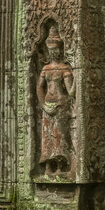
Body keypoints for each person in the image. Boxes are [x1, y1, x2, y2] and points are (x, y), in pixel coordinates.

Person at [36, 26, 75, 175]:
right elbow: (39, 88)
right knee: (47, 137)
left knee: (59, 135)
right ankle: (47, 166)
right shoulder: (45, 69)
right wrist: (43, 105)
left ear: (60, 50)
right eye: (51, 50)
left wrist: (77, 79)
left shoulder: (64, 68)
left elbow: (70, 91)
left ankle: (60, 166)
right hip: (48, 105)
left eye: (56, 50)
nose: (54, 53)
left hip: (61, 105)